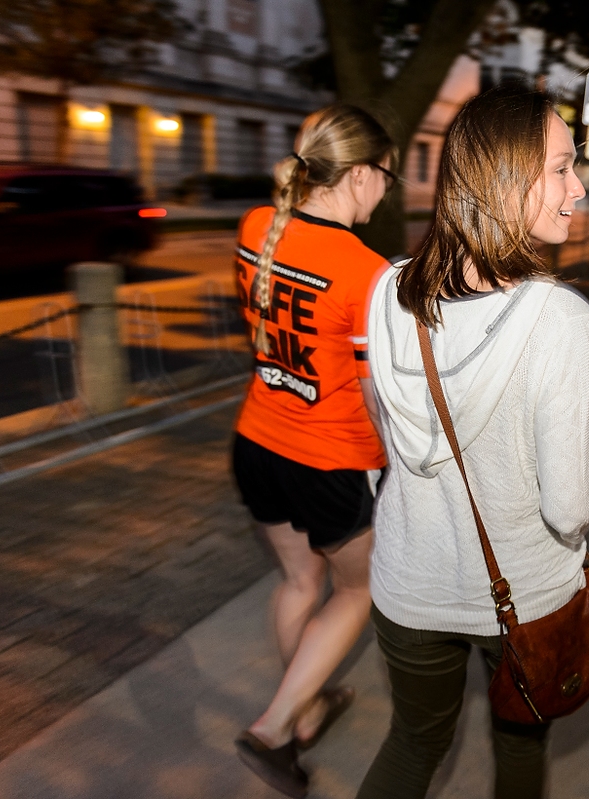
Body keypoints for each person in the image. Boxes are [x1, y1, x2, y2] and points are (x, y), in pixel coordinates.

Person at [359, 83, 589, 799]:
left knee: (412, 741)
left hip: (407, 582)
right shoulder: (558, 320)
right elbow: (566, 508)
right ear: (503, 179)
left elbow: (389, 424)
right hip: (524, 594)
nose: (579, 188)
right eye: (560, 168)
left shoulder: (390, 289)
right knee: (520, 742)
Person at [230, 103, 397, 799]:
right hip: (329, 462)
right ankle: (273, 728)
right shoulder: (365, 270)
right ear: (359, 175)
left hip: (258, 442)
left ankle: (307, 709)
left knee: (301, 583)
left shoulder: (255, 226)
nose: (387, 190)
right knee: (357, 590)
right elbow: (372, 392)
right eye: (385, 176)